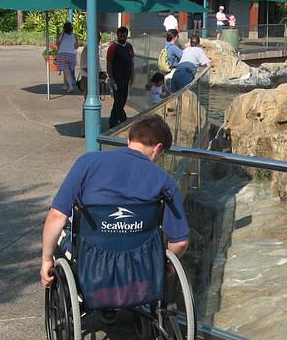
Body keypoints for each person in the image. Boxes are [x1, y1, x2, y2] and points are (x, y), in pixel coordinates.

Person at [40, 115, 189, 289]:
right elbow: (180, 242)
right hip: (140, 266)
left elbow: (57, 216)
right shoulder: (164, 181)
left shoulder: (87, 163)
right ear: (158, 149)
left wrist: (46, 259)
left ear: (129, 140)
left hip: (90, 262)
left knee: (62, 227)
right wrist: (166, 265)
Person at [106, 26, 135, 129]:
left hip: (126, 78)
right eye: (121, 34)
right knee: (118, 100)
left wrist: (132, 75)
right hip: (117, 78)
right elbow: (109, 63)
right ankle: (123, 121)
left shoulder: (129, 46)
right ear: (117, 35)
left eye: (124, 34)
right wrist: (111, 78)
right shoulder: (113, 47)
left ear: (127, 35)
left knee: (122, 100)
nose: (123, 36)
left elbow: (131, 61)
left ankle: (113, 121)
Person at [56, 21, 79, 93]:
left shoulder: (61, 35)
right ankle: (65, 85)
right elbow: (76, 46)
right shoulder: (74, 36)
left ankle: (70, 86)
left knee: (66, 70)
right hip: (72, 54)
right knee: (68, 70)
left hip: (63, 53)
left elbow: (57, 44)